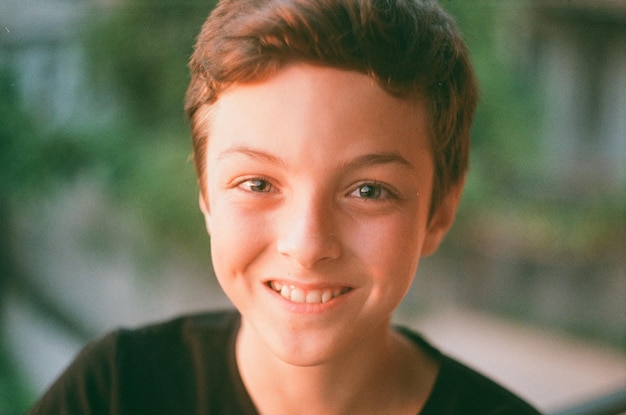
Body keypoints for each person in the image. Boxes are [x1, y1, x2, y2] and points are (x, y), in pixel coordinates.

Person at [30, 0, 542, 413]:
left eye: (368, 190)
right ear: (206, 195)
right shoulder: (116, 390)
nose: (307, 244)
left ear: (439, 212)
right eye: (256, 183)